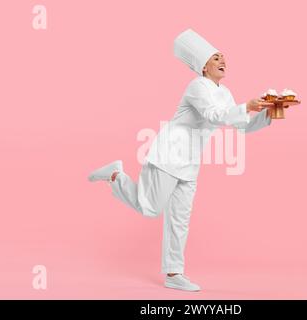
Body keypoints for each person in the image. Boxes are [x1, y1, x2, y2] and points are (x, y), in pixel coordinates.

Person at [88, 28, 274, 291]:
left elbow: (241, 125)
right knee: (151, 208)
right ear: (203, 65)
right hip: (168, 154)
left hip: (189, 162)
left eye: (223, 57)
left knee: (179, 218)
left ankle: (174, 274)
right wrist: (246, 106)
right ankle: (115, 175)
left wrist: (269, 114)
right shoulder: (197, 86)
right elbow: (213, 115)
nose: (223, 60)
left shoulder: (225, 92)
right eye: (216, 57)